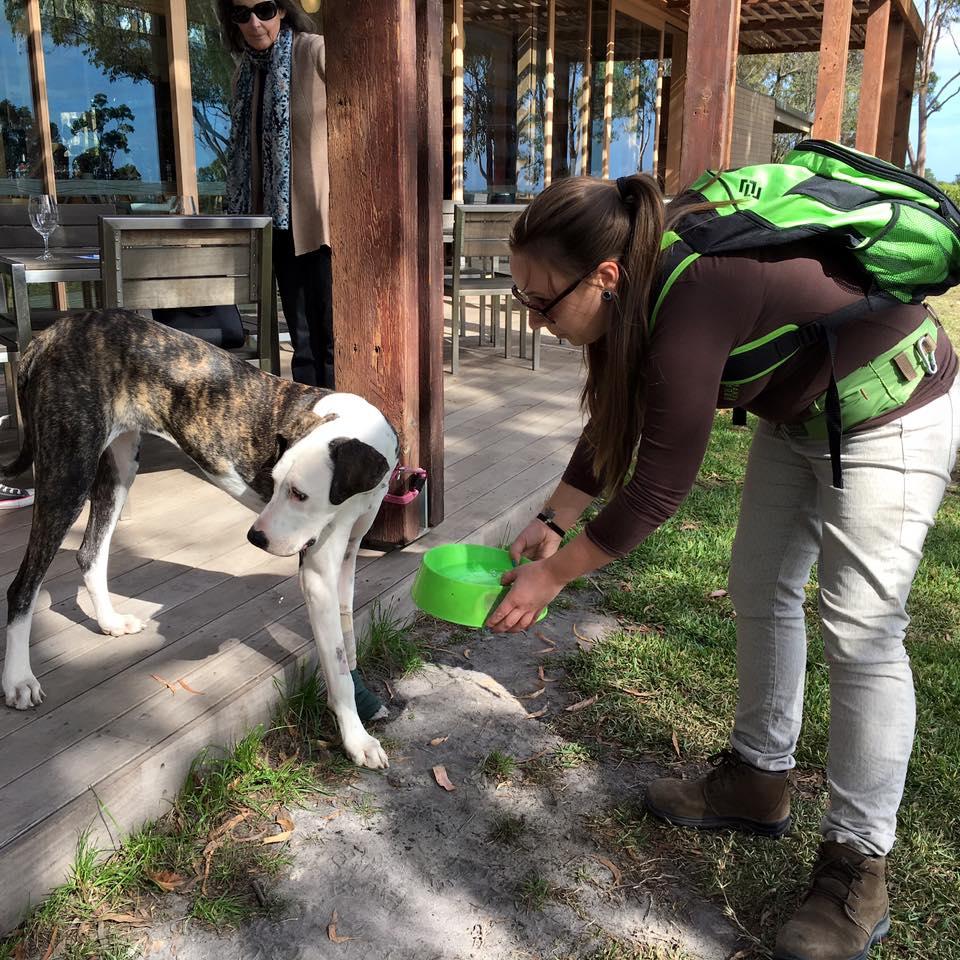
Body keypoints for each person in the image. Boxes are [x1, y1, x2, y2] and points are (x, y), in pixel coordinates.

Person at [486, 172, 960, 960]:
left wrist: (555, 574)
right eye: (521, 299)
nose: (536, 320)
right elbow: (619, 413)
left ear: (604, 276)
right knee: (758, 586)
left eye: (543, 303)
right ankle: (757, 780)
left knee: (862, 632)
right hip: (803, 407)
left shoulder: (692, 295)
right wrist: (551, 517)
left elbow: (660, 486)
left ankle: (857, 867)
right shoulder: (634, 284)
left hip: (891, 408)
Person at [218, 0, 334, 387]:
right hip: (275, 223)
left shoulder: (314, 51)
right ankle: (308, 428)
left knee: (331, 336)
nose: (254, 23)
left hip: (318, 222)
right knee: (301, 339)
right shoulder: (243, 76)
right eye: (241, 14)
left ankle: (338, 429)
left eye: (264, 10)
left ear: (282, 10)